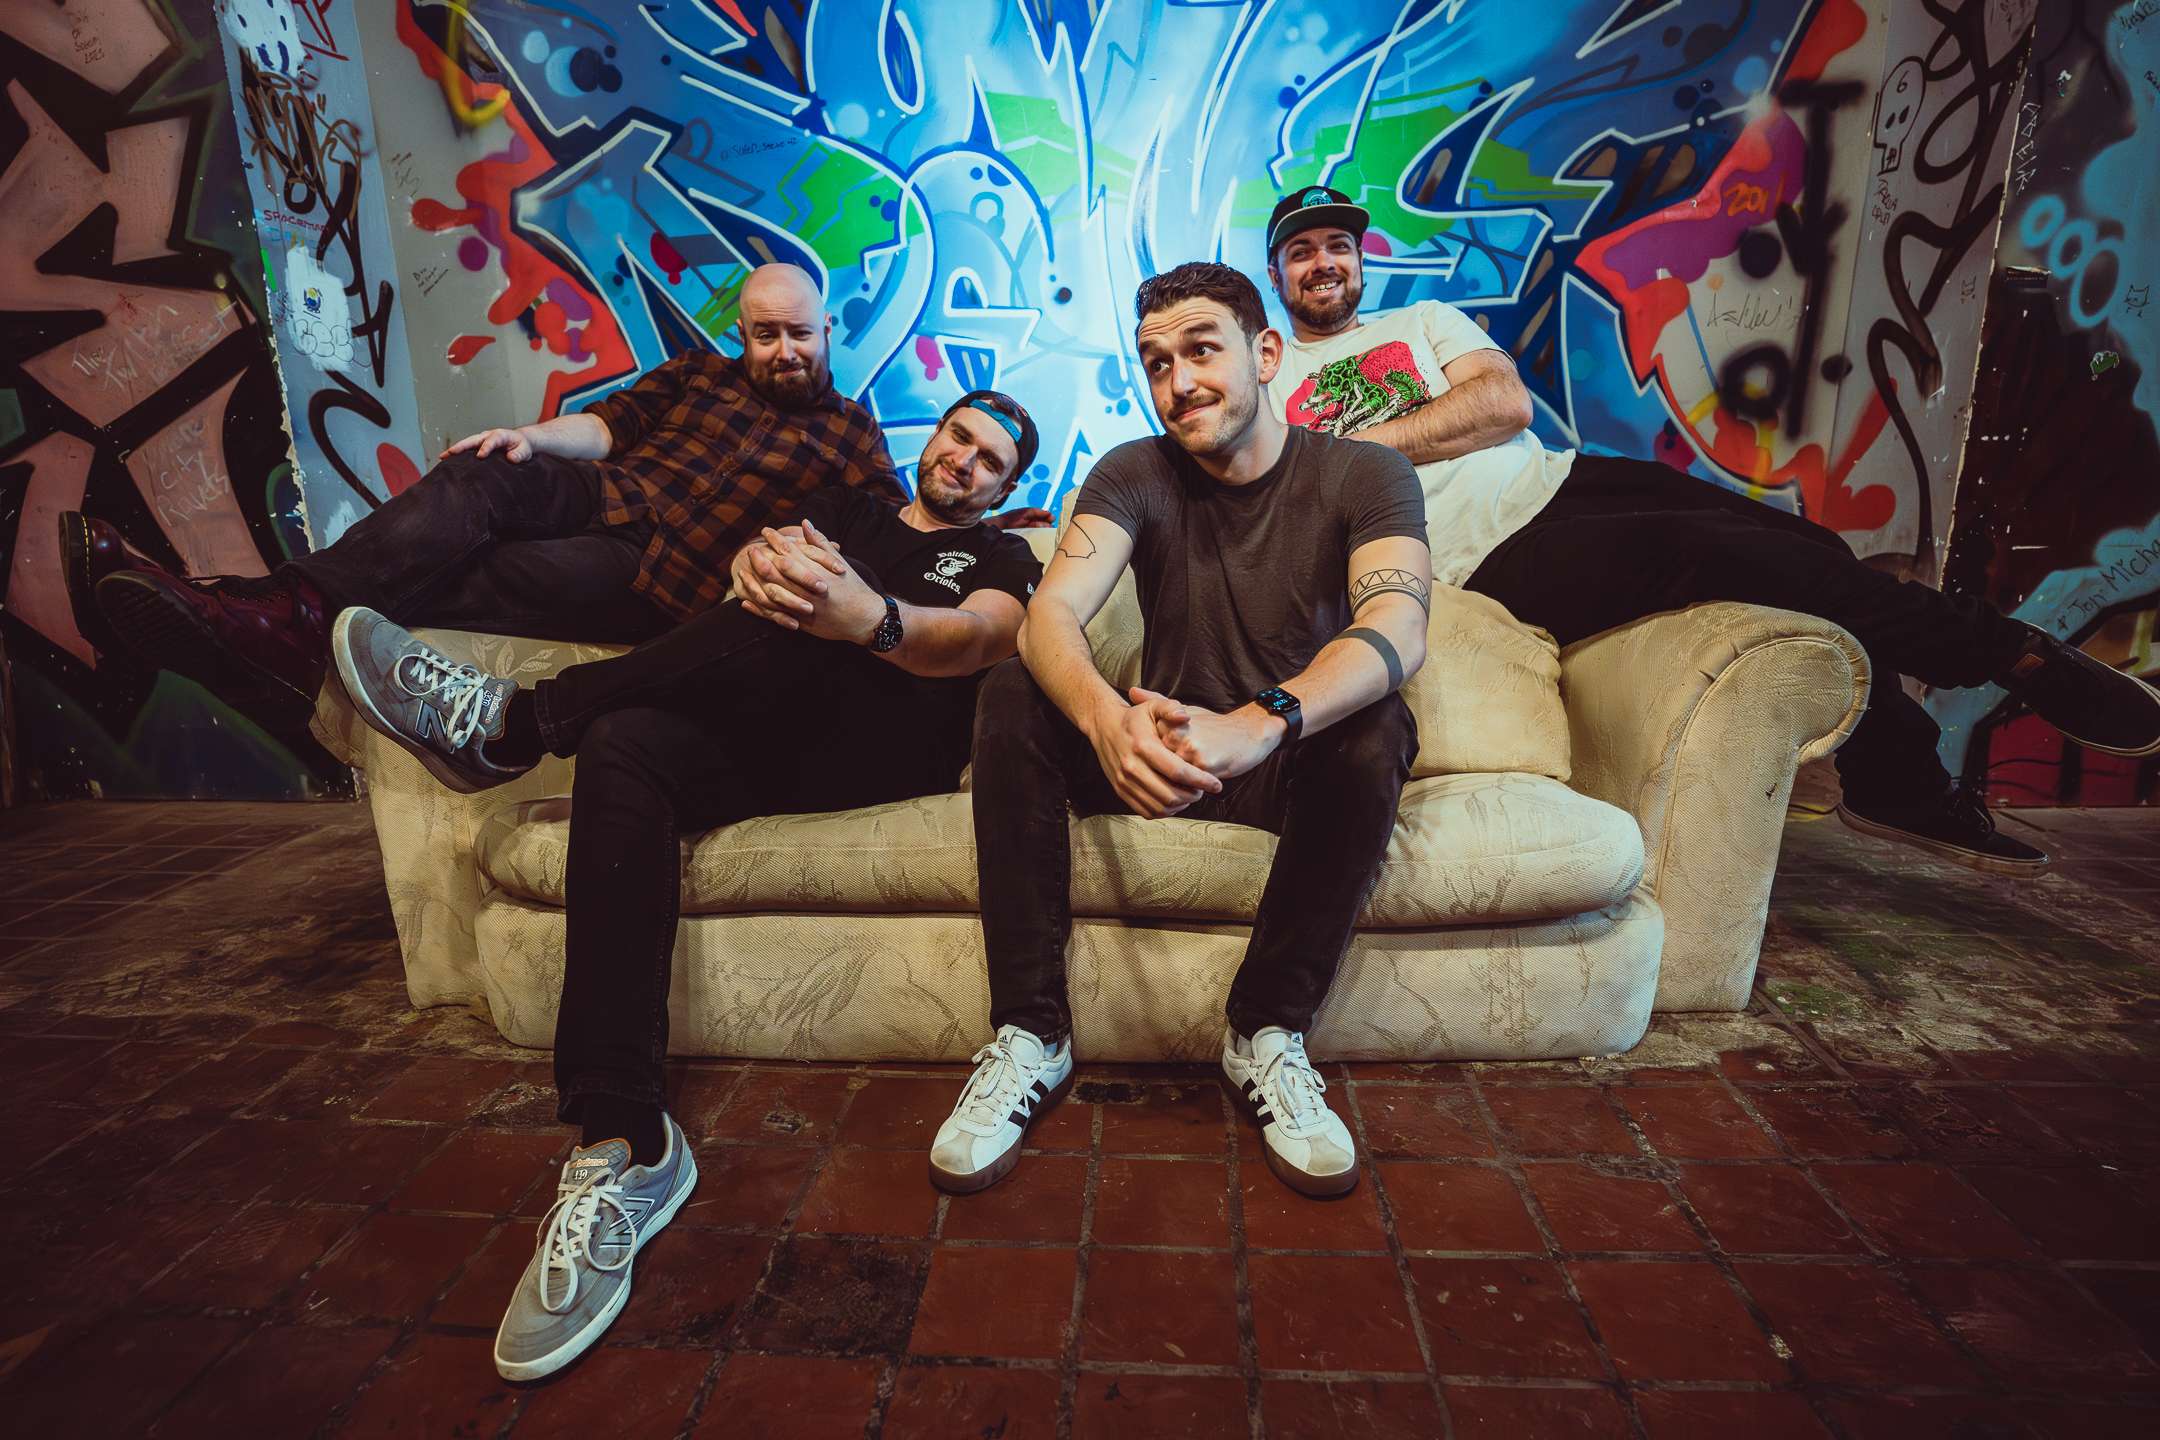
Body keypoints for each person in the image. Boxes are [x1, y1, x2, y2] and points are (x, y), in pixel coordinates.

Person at [331, 390, 1044, 1380]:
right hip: (764, 728)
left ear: (1010, 487)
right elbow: (756, 575)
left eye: (992, 460)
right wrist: (761, 568)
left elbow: (976, 640)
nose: (966, 461)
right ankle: (626, 1140)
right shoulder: (848, 507)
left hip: (884, 744)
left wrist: (869, 617)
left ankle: (519, 721)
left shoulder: (1006, 555)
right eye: (960, 437)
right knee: (629, 741)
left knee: (805, 616)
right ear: (936, 439)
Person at [1260, 185, 2160, 876]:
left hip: (1555, 474)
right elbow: (1285, 486)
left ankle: (1898, 778)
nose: (1324, 263)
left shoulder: (1423, 320)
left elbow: (1501, 404)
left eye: (1338, 245)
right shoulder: (1266, 374)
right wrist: (1384, 448)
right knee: (1736, 557)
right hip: (1479, 549)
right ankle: (2007, 655)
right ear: (1278, 275)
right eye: (1302, 253)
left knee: (1811, 549)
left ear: (1360, 259)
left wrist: (1353, 447)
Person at [928, 263, 1432, 1201]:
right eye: (1156, 362)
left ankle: (1264, 1033)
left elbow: (1397, 628)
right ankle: (1030, 1036)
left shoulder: (1367, 472)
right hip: (1155, 758)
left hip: (1282, 762)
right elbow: (1049, 618)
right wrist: (1106, 719)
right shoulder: (1135, 470)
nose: (1179, 382)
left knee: (1378, 726)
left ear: (1265, 353)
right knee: (1011, 689)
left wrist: (1261, 722)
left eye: (1202, 350)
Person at [71, 264, 908, 709]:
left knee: (485, 578)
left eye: (799, 333)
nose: (784, 351)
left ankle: (254, 626)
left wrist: (1001, 519)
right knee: (479, 473)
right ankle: (278, 620)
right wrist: (528, 438)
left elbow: (906, 522)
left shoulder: (852, 434)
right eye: (765, 335)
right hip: (612, 494)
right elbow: (610, 427)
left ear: (827, 328)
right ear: (743, 333)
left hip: (661, 572)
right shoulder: (699, 374)